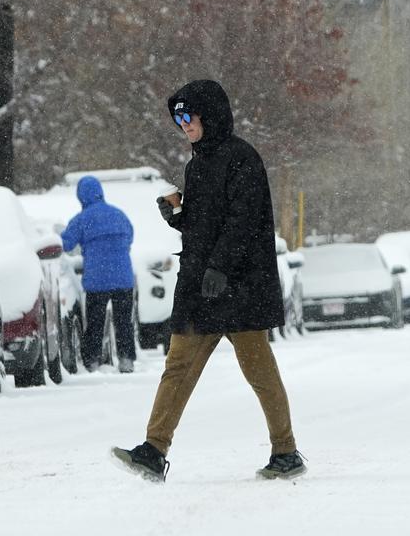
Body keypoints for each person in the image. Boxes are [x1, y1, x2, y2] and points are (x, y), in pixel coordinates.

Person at [111, 79, 304, 481]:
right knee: (177, 365)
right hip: (203, 287)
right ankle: (153, 449)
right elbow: (205, 225)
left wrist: (220, 266)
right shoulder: (197, 165)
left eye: (188, 116)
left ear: (209, 115)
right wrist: (179, 217)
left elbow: (243, 222)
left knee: (259, 371)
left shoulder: (242, 159)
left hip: (240, 287)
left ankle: (286, 452)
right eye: (177, 118)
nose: (183, 124)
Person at [61, 176, 137, 373]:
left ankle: (92, 361)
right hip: (123, 277)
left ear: (81, 196)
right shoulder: (118, 214)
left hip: (97, 279)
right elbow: (129, 236)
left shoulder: (81, 220)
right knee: (123, 322)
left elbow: (66, 244)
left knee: (95, 322)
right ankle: (126, 359)